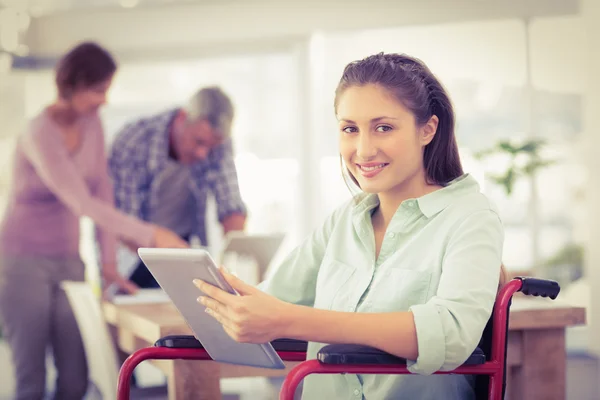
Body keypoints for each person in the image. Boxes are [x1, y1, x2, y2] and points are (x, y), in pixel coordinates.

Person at [193, 53, 504, 400]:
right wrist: (222, 300)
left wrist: (291, 320)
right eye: (350, 129)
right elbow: (273, 298)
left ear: (428, 129)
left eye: (383, 127)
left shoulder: (470, 216)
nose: (363, 149)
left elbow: (452, 332)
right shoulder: (346, 219)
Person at [0, 42, 187, 400]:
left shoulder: (92, 123)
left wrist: (108, 264)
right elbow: (80, 201)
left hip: (69, 263)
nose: (104, 99)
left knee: (75, 376)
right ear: (71, 85)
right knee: (31, 378)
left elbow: (101, 191)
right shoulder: (38, 132)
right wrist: (152, 234)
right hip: (21, 265)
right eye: (98, 89)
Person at [108, 86, 247, 288]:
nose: (203, 154)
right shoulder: (134, 141)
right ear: (182, 118)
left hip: (182, 246)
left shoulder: (217, 142)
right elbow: (123, 221)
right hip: (131, 255)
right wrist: (161, 242)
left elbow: (230, 204)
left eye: (211, 147)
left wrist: (238, 257)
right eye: (198, 142)